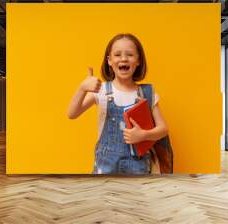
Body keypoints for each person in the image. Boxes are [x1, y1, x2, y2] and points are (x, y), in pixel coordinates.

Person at [68, 33, 168, 174]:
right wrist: (82, 88)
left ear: (138, 60)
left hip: (138, 166)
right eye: (117, 54)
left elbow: (163, 129)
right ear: (109, 61)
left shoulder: (146, 93)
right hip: (106, 165)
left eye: (130, 54)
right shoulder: (101, 90)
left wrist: (143, 135)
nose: (123, 58)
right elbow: (72, 113)